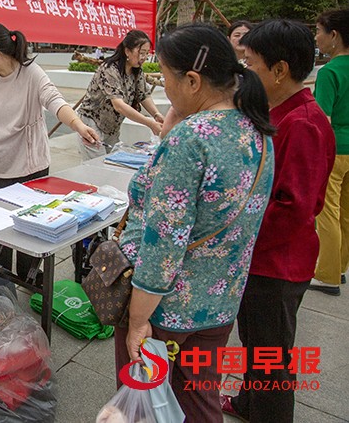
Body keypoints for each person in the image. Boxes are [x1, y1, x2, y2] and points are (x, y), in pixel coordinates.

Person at [117, 24, 276, 422]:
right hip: (219, 301)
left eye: (165, 77)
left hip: (166, 308)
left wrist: (137, 321)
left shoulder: (191, 139)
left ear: (192, 80)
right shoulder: (256, 127)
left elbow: (164, 242)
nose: (164, 88)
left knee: (147, 403)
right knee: (201, 401)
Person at [220, 20, 335, 423]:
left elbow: (293, 209)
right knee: (256, 342)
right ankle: (248, 403)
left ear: (280, 70)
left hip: (277, 264)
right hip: (262, 258)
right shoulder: (279, 112)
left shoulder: (302, 123)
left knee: (271, 356)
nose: (244, 72)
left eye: (250, 63)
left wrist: (237, 236)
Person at [0, 22, 99, 278]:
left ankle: (29, 276)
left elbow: (55, 101)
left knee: (32, 229)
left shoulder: (32, 74)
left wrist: (78, 125)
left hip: (31, 169)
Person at [309, 9, 349, 296]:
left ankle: (327, 274)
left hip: (336, 149)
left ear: (334, 35)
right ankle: (340, 266)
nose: (316, 38)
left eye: (318, 31)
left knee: (327, 212)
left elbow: (322, 119)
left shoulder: (330, 72)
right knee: (346, 213)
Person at [76, 31, 163, 160]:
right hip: (91, 125)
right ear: (127, 51)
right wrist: (150, 123)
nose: (144, 57)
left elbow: (144, 95)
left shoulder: (136, 71)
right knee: (96, 166)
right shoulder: (109, 70)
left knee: (111, 163)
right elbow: (119, 105)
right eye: (141, 53)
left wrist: (156, 114)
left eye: (146, 53)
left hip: (112, 128)